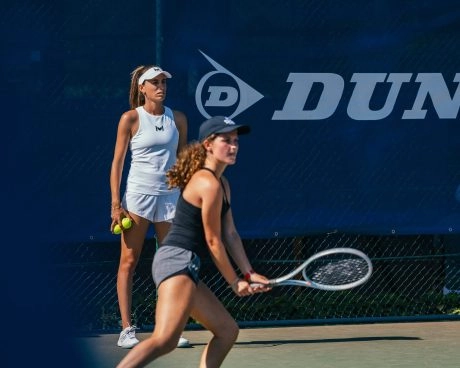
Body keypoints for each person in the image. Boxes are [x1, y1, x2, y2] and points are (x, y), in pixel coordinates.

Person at [116, 116, 272, 368]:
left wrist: (249, 272)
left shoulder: (222, 183)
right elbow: (213, 239)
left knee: (227, 330)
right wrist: (234, 282)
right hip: (176, 260)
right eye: (226, 141)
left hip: (186, 264)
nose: (233, 146)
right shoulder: (207, 183)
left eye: (235, 141)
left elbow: (230, 234)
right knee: (165, 339)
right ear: (209, 144)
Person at [110, 65, 190, 349]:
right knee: (128, 263)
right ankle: (126, 329)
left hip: (170, 198)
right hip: (138, 199)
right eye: (154, 82)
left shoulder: (177, 119)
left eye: (163, 82)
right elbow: (118, 163)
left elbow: (182, 163)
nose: (161, 87)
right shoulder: (130, 119)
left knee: (169, 265)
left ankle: (168, 328)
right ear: (142, 88)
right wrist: (116, 204)